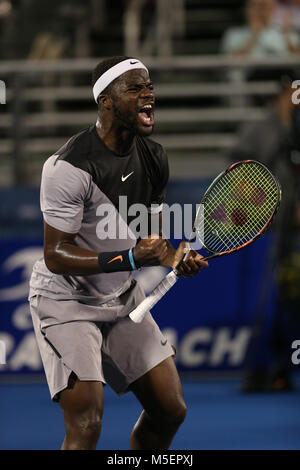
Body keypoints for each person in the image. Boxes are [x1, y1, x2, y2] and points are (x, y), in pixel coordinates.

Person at [28, 56, 208, 450]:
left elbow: (152, 241)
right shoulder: (67, 166)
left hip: (121, 298)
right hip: (66, 301)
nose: (148, 94)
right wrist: (130, 260)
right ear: (106, 101)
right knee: (88, 421)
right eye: (135, 88)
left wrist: (174, 258)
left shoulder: (154, 156)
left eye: (149, 87)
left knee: (169, 409)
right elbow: (56, 254)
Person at [226, 68, 300, 391]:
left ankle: (284, 368)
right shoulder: (259, 130)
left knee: (292, 300)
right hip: (267, 230)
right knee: (266, 300)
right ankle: (261, 368)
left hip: (296, 232)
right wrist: (255, 205)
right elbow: (237, 174)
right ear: (285, 90)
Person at [221, 0, 300, 57]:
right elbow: (230, 64)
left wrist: (287, 36)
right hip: (249, 79)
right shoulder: (233, 34)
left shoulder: (288, 34)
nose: (261, 11)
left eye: (266, 7)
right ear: (247, 9)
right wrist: (254, 35)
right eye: (258, 6)